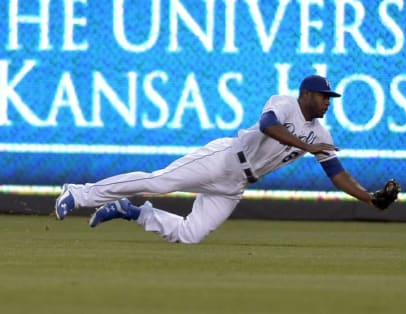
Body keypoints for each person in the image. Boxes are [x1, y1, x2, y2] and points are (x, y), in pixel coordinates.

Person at [55, 75, 379, 244]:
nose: (328, 102)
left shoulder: (322, 135)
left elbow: (337, 174)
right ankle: (78, 193)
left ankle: (132, 211)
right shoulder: (284, 103)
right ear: (306, 94)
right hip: (224, 158)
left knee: (189, 235)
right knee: (158, 181)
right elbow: (268, 125)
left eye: (330, 98)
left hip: (236, 184)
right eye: (324, 96)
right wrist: (304, 146)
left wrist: (370, 199)